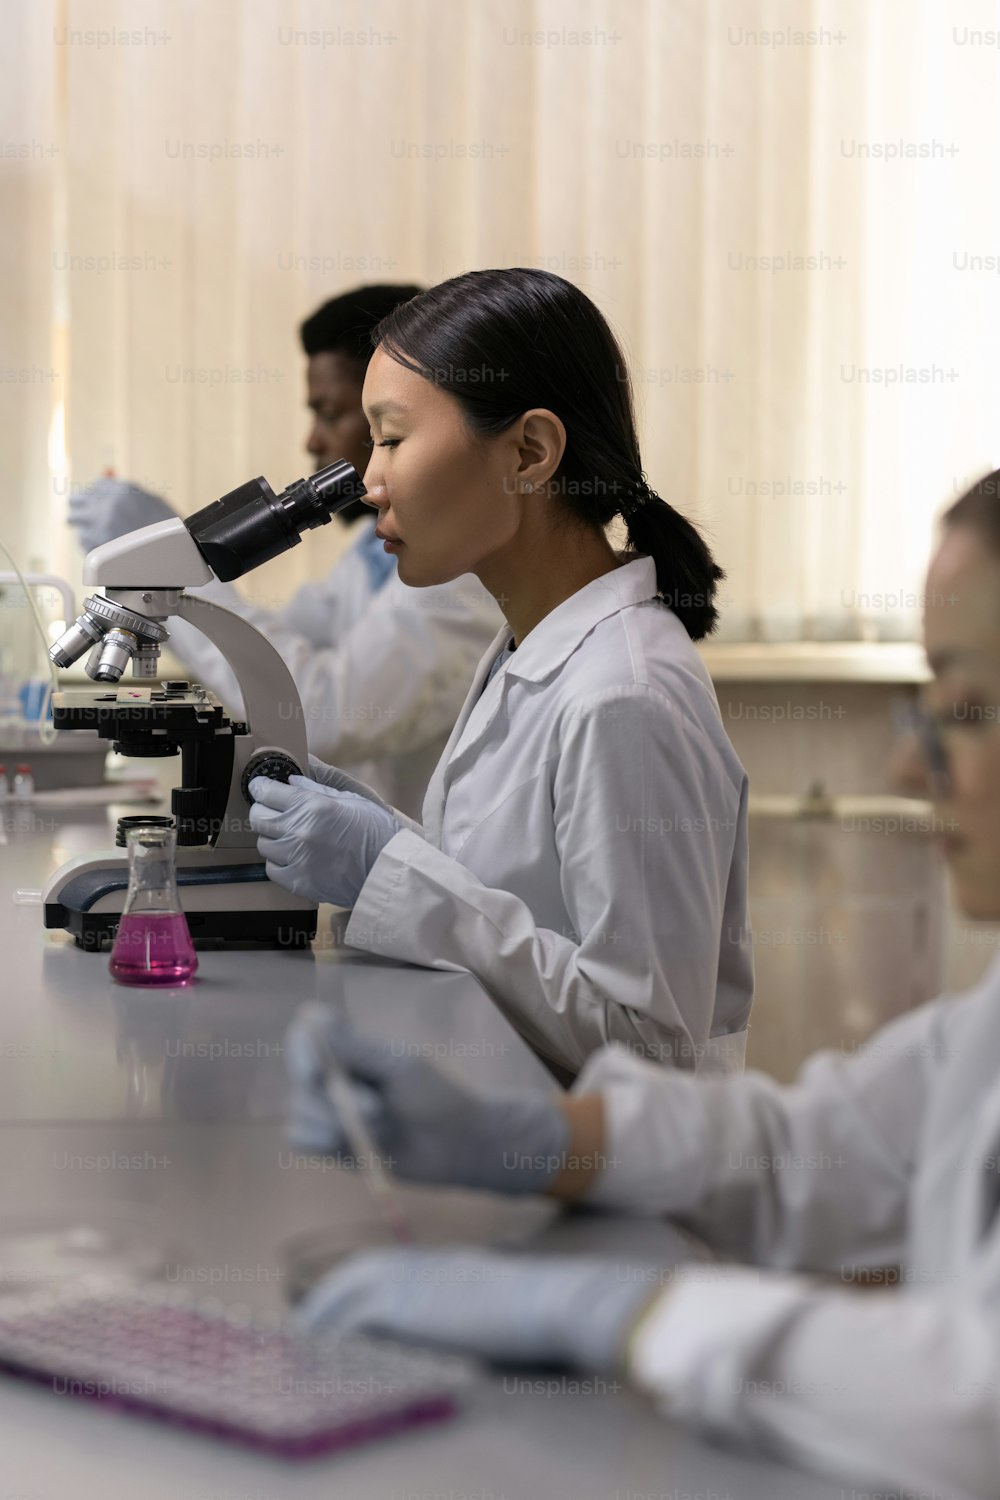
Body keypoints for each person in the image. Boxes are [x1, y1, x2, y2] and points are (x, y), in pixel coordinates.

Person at [277, 469, 1000, 1499]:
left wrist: (617, 1315)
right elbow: (809, 1152)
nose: (910, 770)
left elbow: (977, 1409)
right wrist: (520, 1141)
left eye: (965, 709)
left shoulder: (628, 686)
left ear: (526, 451)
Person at [248, 268, 753, 1079]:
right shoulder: (528, 648)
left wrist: (388, 870)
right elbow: (513, 903)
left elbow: (654, 1044)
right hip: (503, 1123)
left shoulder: (625, 694)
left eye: (392, 438)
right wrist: (383, 835)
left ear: (529, 453)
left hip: (608, 1183)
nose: (368, 479)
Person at [67, 285, 503, 818]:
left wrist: (176, 571)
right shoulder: (371, 554)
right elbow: (274, 649)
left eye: (333, 415)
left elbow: (325, 714)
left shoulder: (463, 570)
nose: (314, 443)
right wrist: (172, 568)